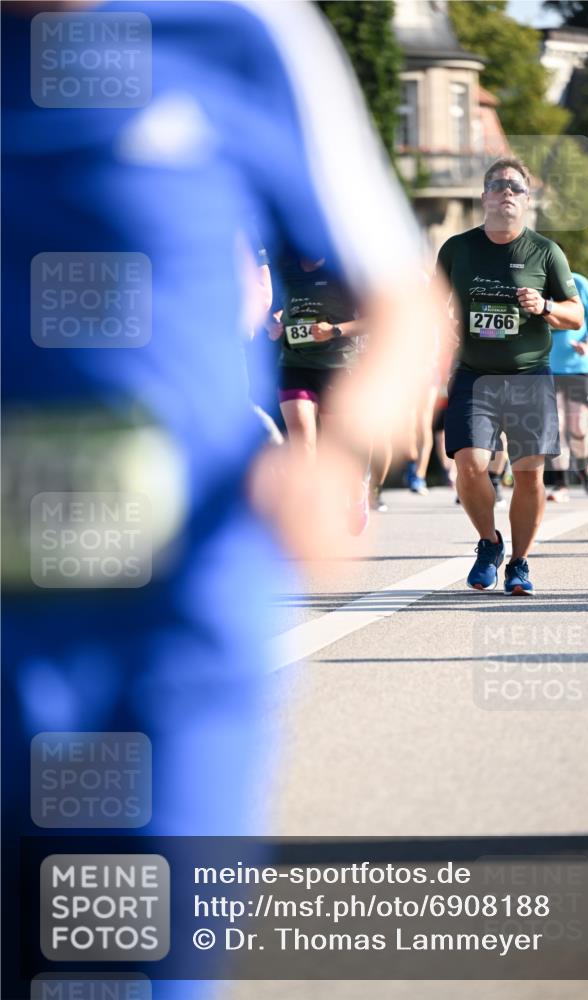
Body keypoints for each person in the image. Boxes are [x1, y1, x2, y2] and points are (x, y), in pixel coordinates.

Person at [2, 2, 446, 997]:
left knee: (128, 963)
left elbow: (405, 296)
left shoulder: (240, 31)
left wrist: (333, 453)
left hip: (172, 630)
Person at [437, 157, 583, 595]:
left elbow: (575, 315)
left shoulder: (545, 252)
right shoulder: (457, 249)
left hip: (528, 376)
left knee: (529, 473)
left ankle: (519, 562)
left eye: (515, 187)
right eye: (497, 185)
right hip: (475, 374)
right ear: (483, 196)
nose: (506, 192)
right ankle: (489, 543)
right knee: (470, 464)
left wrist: (545, 307)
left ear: (526, 199)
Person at [269, 253, 370, 533]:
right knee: (301, 435)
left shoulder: (344, 270)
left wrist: (335, 330)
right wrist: (271, 322)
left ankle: (356, 495)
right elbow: (268, 304)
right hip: (294, 363)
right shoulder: (286, 267)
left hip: (337, 366)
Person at [546, 270, 588, 502]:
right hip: (546, 368)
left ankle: (583, 467)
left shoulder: (578, 282)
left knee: (578, 427)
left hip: (578, 367)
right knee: (556, 425)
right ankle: (561, 483)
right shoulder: (535, 283)